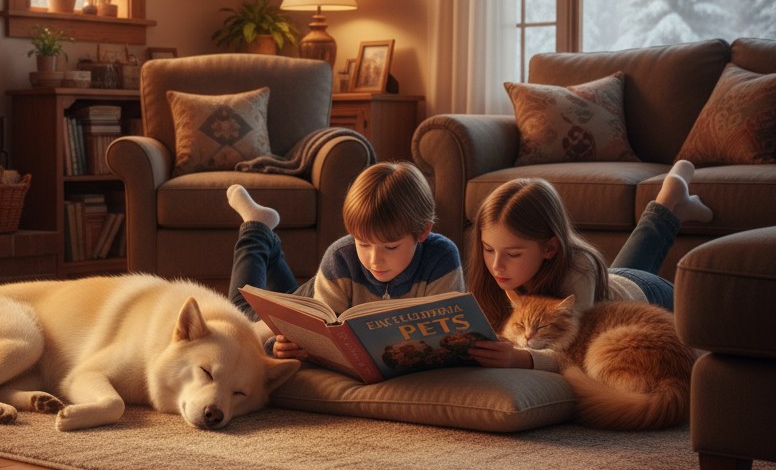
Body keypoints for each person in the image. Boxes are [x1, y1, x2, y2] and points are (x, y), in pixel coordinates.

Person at [466, 159, 713, 370]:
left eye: (513, 254)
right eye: (488, 249)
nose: (496, 265)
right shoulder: (496, 273)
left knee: (625, 271)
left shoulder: (578, 268)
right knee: (630, 260)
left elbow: (574, 352)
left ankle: (670, 201)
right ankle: (670, 200)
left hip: (646, 293)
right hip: (610, 281)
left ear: (550, 248)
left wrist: (521, 358)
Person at [226, 161, 465, 359]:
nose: (374, 260)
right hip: (320, 295)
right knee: (238, 318)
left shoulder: (441, 258)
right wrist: (277, 348)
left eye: (390, 247)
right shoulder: (341, 258)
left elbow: (446, 336)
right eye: (363, 243)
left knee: (288, 294)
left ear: (423, 232)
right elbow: (320, 340)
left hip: (314, 292)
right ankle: (256, 228)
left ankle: (271, 246)